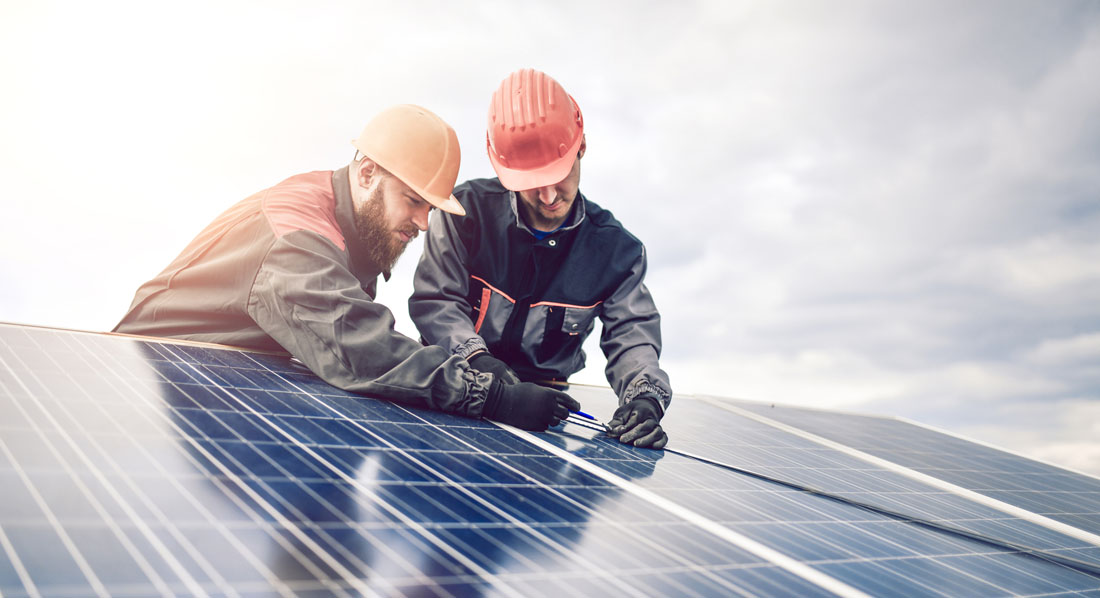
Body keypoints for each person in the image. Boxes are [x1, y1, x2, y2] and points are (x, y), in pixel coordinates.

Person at [114, 104, 578, 432]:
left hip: (219, 381)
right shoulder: (296, 235)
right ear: (367, 173)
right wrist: (488, 396)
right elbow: (356, 343)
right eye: (414, 201)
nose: (423, 222)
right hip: (146, 385)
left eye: (431, 207)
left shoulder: (356, 225)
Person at [409, 70, 671, 449]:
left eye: (559, 174)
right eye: (532, 183)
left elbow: (633, 337)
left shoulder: (617, 254)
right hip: (452, 392)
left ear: (581, 147)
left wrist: (645, 398)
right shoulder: (464, 215)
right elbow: (437, 302)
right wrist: (478, 363)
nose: (548, 196)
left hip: (545, 415)